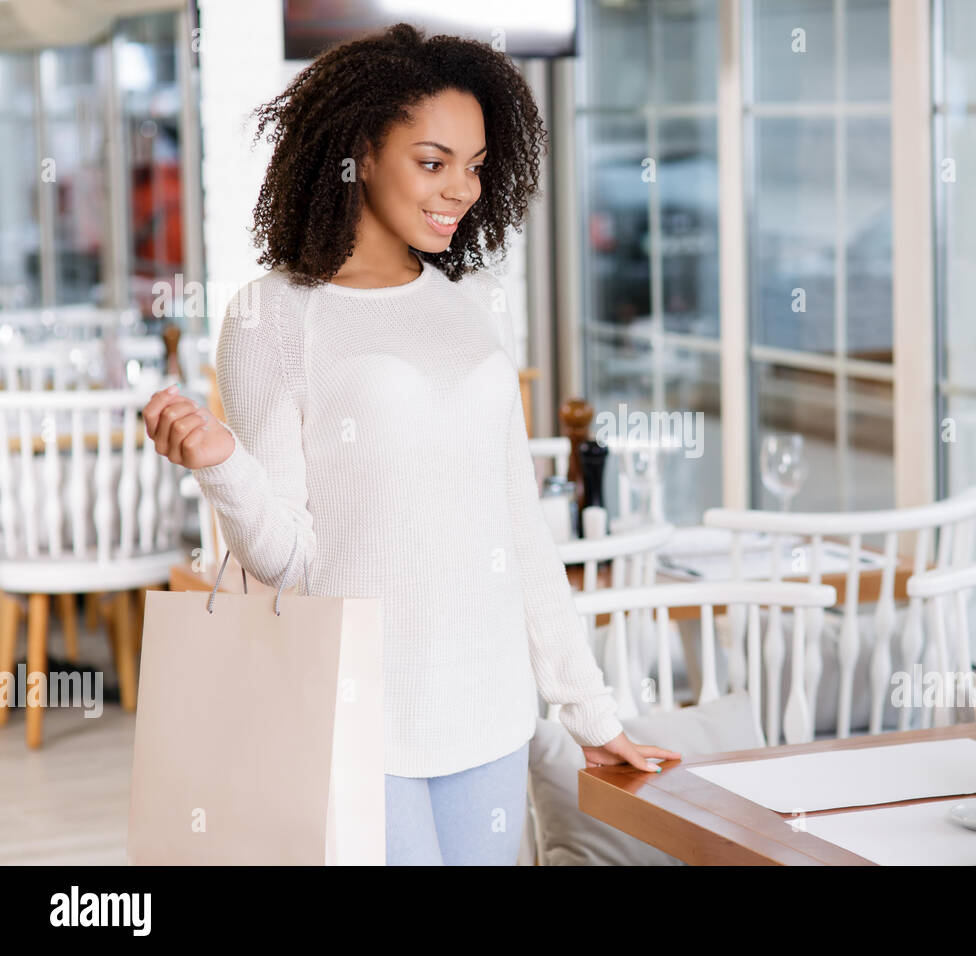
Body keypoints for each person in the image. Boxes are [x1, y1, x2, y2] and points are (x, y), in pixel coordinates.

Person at [142, 23, 679, 866]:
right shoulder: (274, 314)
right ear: (359, 151)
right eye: (433, 162)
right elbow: (287, 565)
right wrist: (222, 466)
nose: (460, 189)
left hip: (489, 710)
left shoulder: (466, 305)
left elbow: (521, 529)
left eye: (473, 165)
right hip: (358, 713)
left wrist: (593, 717)